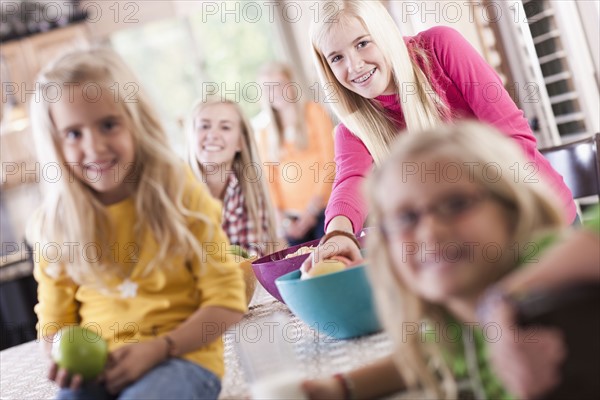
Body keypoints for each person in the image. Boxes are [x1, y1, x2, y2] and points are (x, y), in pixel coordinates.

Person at [302, 121, 599, 399]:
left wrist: (507, 298)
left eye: (456, 204)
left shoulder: (552, 276)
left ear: (510, 209)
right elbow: (431, 354)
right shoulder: (453, 314)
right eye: (406, 218)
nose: (430, 231)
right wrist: (339, 387)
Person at [27, 48, 247, 400]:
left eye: (108, 125)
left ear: (135, 121)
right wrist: (59, 356)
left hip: (182, 360)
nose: (94, 147)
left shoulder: (178, 194)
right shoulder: (57, 224)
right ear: (55, 142)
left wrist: (160, 348)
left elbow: (228, 302)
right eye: (73, 134)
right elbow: (55, 324)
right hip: (100, 370)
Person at [303, 0, 576, 270]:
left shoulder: (440, 48)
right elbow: (351, 182)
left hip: (538, 223)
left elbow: (513, 138)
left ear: (383, 32)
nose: (355, 65)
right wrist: (338, 234)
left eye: (362, 43)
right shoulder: (353, 127)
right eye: (336, 57)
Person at [255, 62, 335, 246]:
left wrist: (311, 211)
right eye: (269, 88)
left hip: (323, 208)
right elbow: (269, 179)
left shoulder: (314, 112)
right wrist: (281, 218)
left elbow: (330, 163)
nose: (276, 92)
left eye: (280, 84)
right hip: (291, 219)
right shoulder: (266, 132)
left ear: (291, 85)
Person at [188, 97, 279, 258]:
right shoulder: (172, 191)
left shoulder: (251, 197)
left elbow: (249, 264)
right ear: (192, 135)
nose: (212, 134)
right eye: (204, 126)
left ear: (240, 142)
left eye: (225, 127)